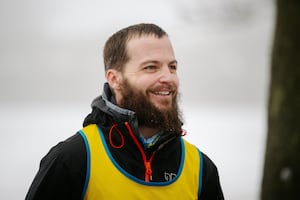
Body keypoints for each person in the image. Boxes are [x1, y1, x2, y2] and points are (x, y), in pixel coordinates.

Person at [25, 23, 224, 200]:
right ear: (114, 79)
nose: (168, 77)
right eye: (151, 67)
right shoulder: (73, 159)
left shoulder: (200, 168)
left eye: (172, 67)